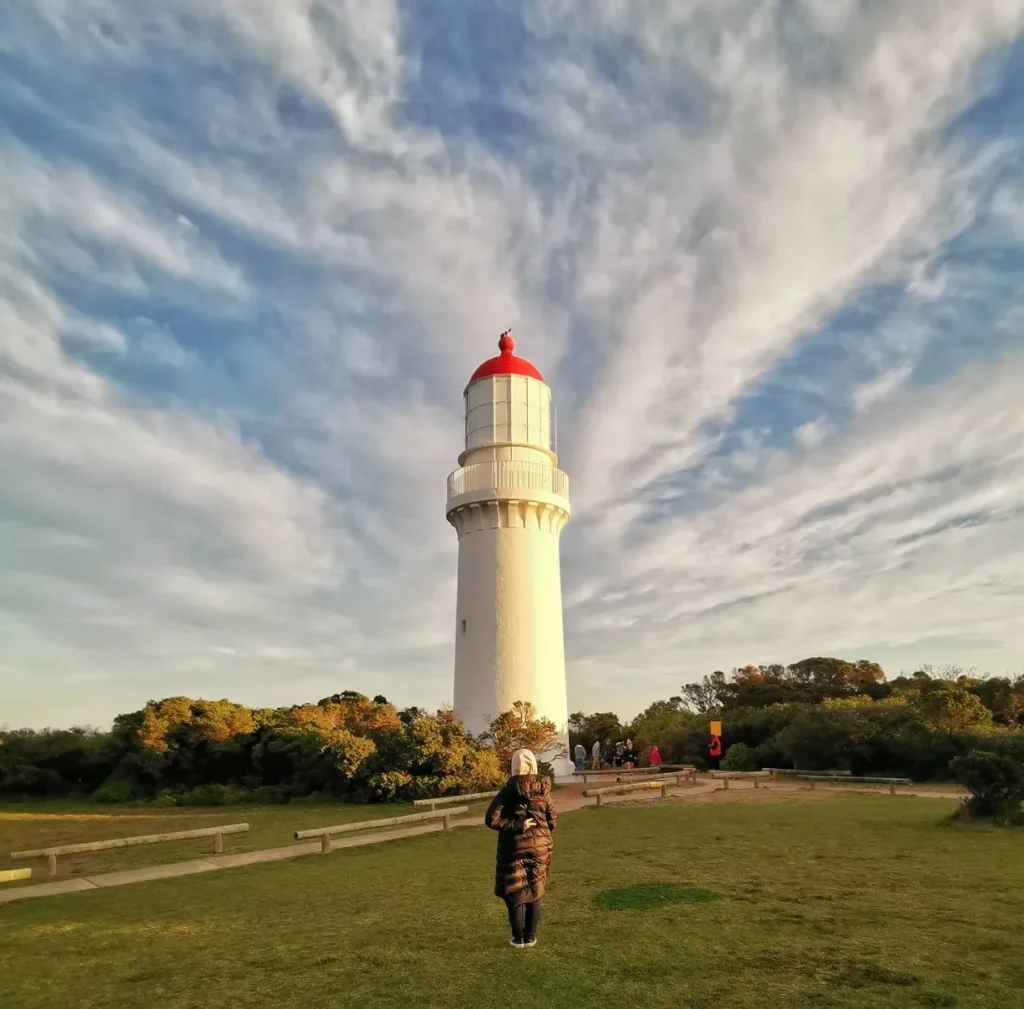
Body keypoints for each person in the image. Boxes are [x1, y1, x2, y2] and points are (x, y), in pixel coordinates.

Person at [485, 748, 557, 949]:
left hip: (514, 847)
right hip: (541, 847)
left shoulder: (509, 790)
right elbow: (553, 819)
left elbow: (491, 819)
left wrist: (517, 825)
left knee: (515, 890)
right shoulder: (544, 790)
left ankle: (518, 938)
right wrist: (542, 833)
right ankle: (530, 936)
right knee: (535, 889)